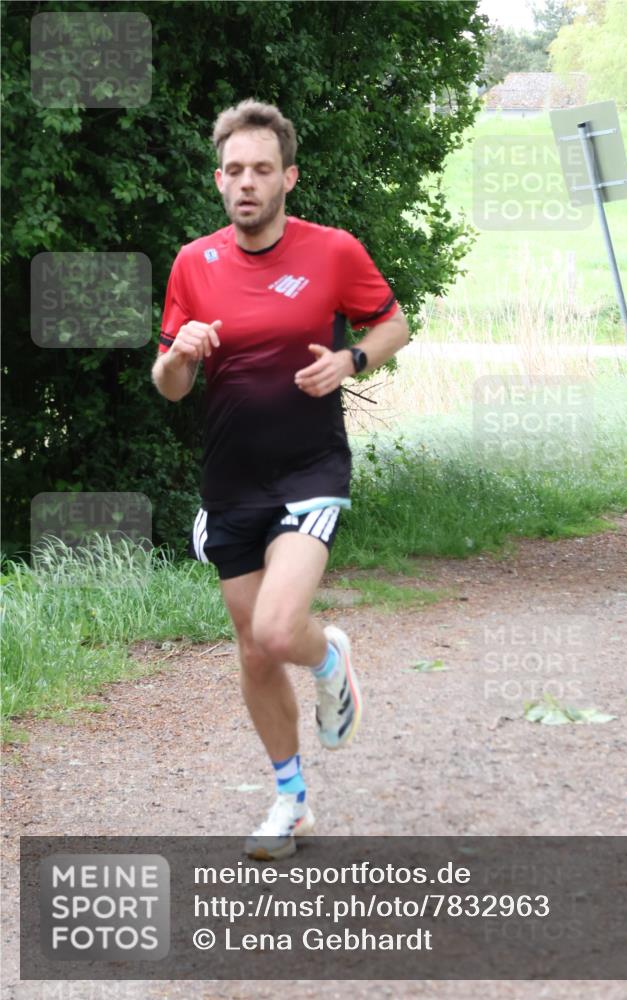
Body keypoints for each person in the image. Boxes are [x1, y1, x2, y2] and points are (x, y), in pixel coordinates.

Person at [151, 99, 409, 860]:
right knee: (256, 651)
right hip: (230, 482)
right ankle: (290, 800)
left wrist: (351, 360)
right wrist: (181, 356)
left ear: (288, 177)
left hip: (309, 471)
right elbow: (166, 385)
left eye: (262, 169)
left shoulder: (331, 251)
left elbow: (392, 321)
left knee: (276, 627)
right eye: (233, 170)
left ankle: (329, 656)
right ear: (218, 180)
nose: (246, 183)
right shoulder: (193, 264)